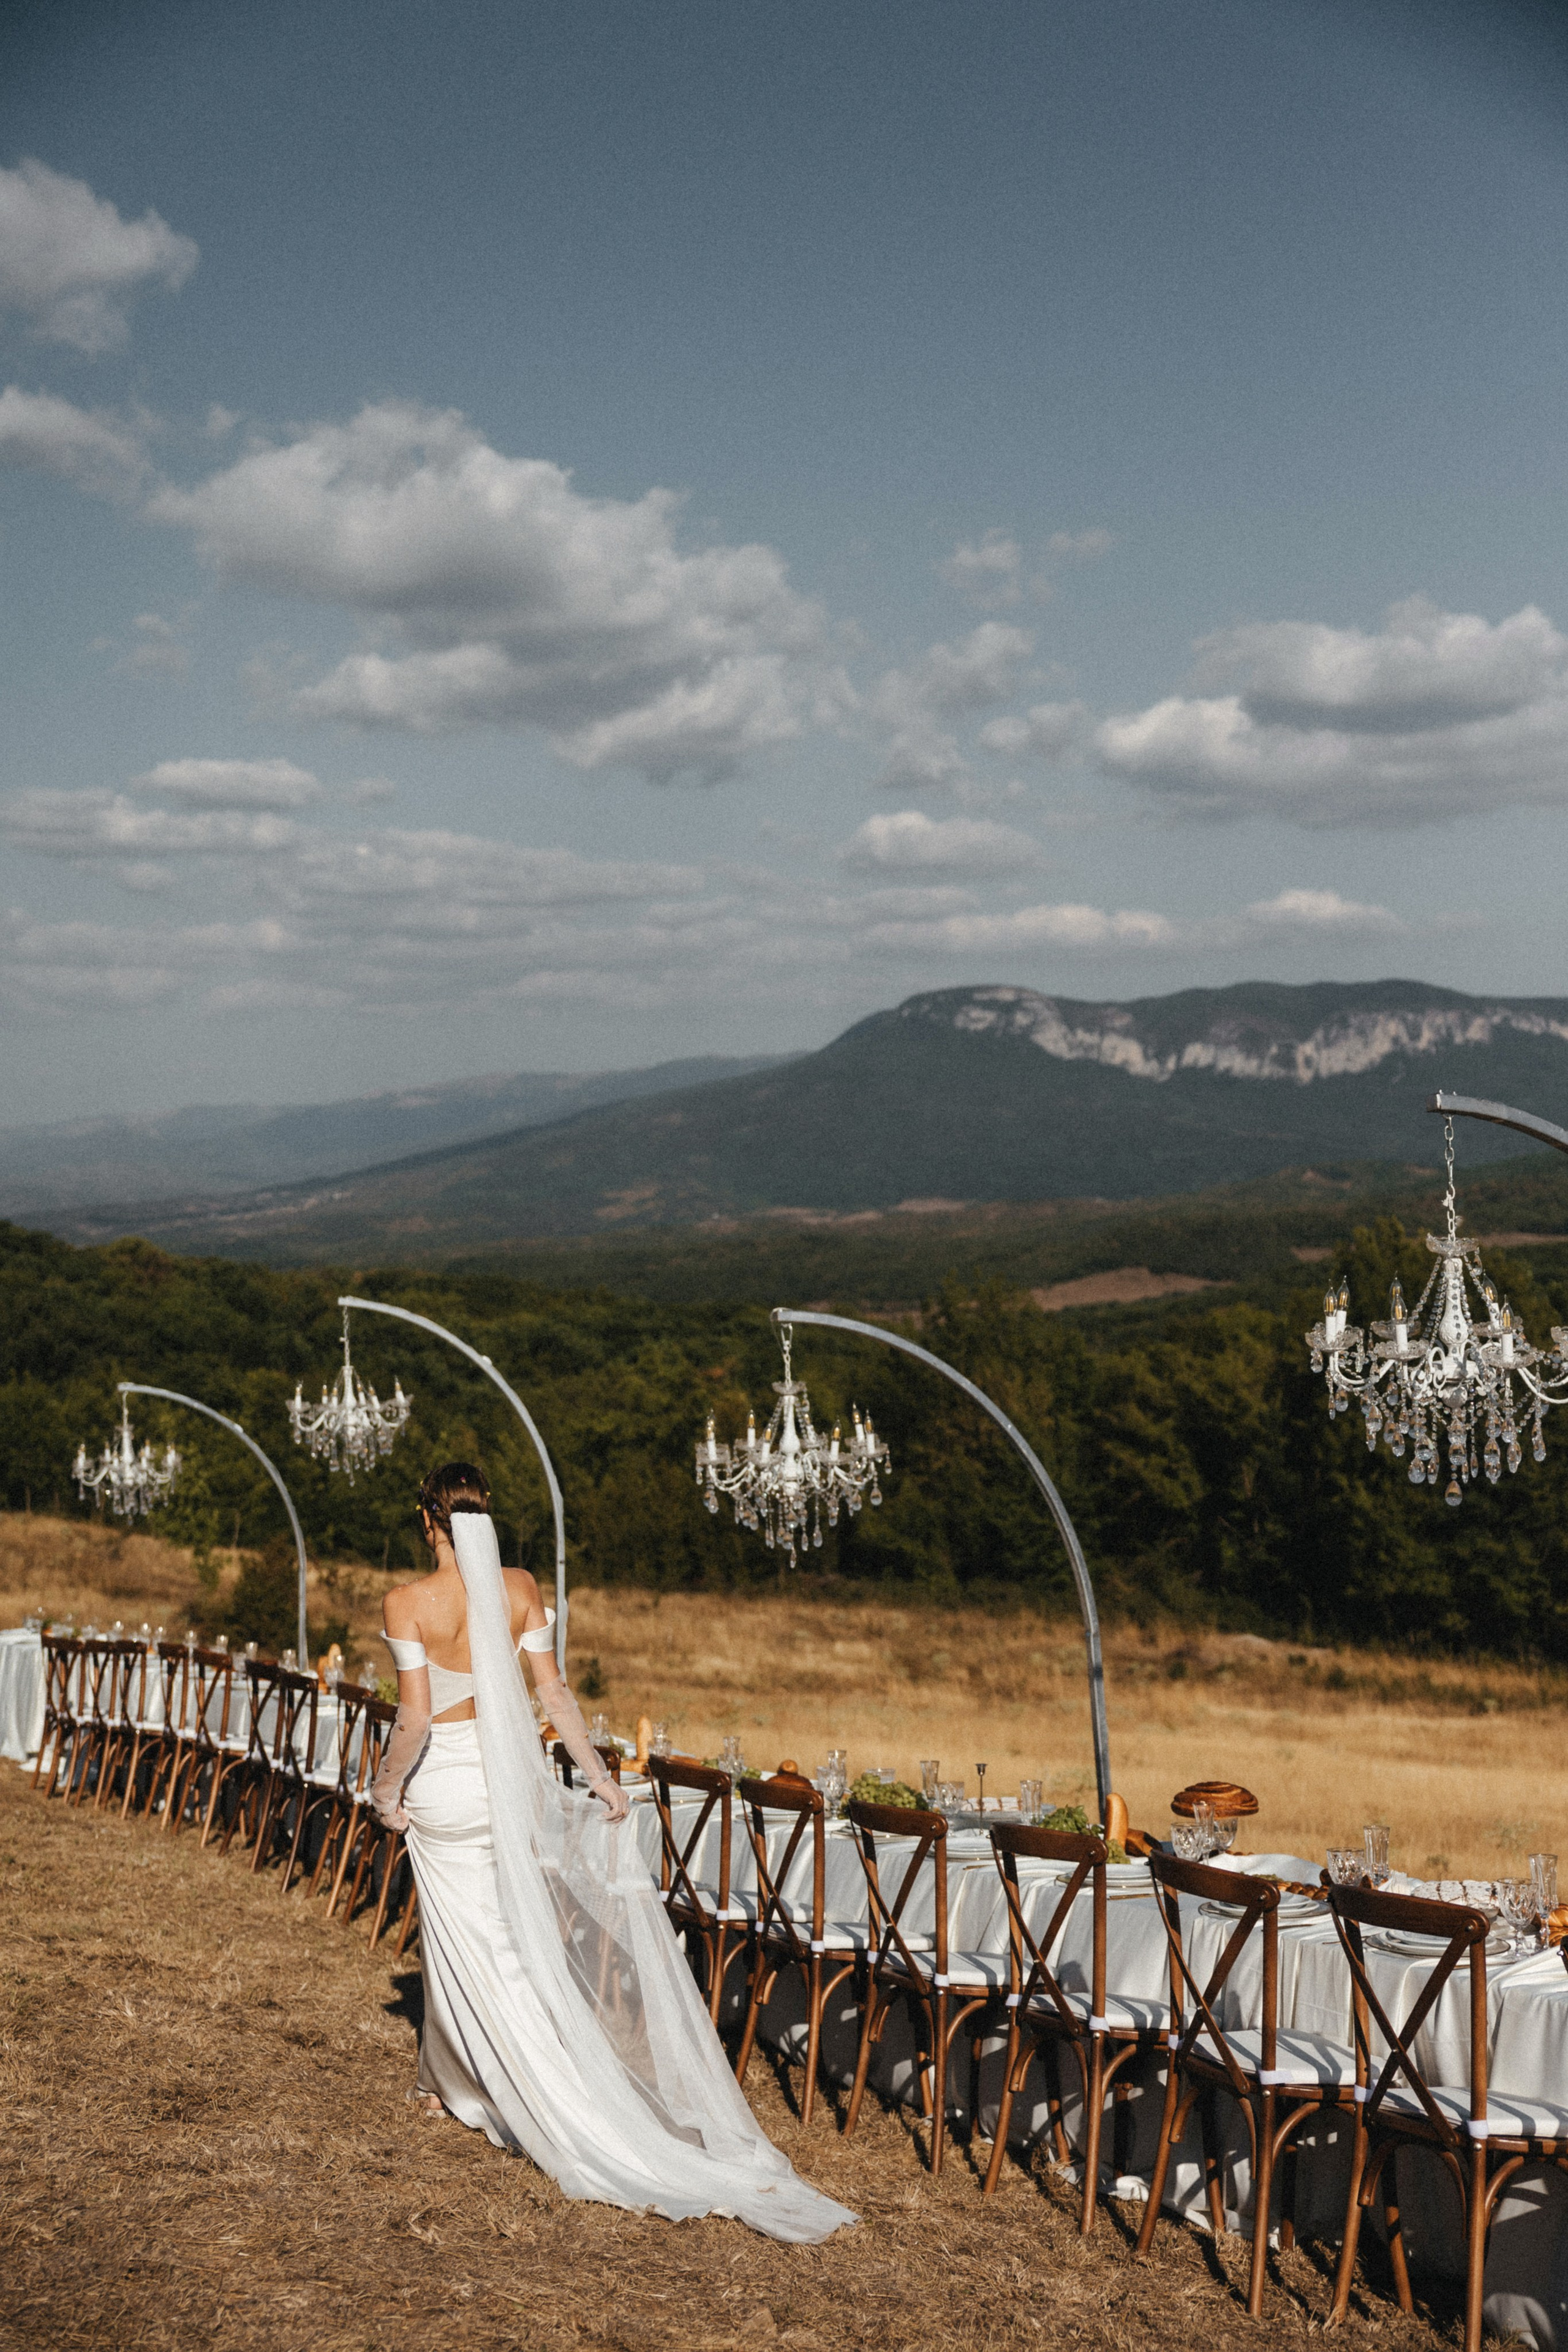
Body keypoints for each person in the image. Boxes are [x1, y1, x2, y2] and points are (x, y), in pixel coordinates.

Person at [371, 1460, 854, 2242]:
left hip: (446, 1791)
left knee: (467, 1940)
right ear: (483, 1516)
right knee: (498, 1940)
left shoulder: (405, 1602)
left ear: (427, 1520)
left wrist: (385, 1793)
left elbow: (415, 1721)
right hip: (507, 1790)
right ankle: (452, 2080)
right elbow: (554, 1694)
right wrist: (600, 1777)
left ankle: (528, 2089)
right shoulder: (522, 1587)